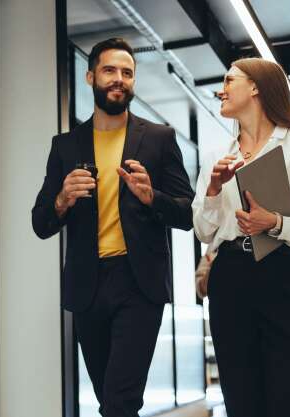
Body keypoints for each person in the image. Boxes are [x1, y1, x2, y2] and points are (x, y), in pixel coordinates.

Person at [32, 38, 194, 417]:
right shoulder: (65, 145)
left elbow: (187, 213)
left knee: (120, 401)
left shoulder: (159, 139)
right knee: (110, 401)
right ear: (90, 77)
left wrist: (153, 197)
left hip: (139, 284)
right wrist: (61, 200)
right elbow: (40, 223)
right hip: (88, 285)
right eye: (109, 70)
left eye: (127, 73)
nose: (119, 79)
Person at [192, 57, 290, 417]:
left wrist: (275, 222)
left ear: (255, 86)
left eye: (229, 80)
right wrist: (212, 190)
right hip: (230, 275)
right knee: (240, 394)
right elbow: (204, 230)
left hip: (282, 271)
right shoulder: (215, 157)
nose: (220, 90)